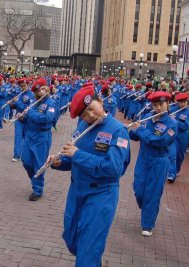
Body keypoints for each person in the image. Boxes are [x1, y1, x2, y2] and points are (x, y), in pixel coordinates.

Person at [48, 86, 130, 266]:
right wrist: (60, 162)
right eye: (85, 114)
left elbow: (113, 168)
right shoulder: (82, 128)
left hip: (100, 196)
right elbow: (75, 160)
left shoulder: (118, 130)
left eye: (92, 108)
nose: (91, 116)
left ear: (100, 100)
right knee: (72, 239)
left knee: (88, 251)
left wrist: (77, 154)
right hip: (77, 193)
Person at [129, 91, 177, 236]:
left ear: (167, 104)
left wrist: (140, 130)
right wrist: (133, 128)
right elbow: (136, 136)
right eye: (155, 105)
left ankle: (147, 225)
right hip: (143, 159)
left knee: (153, 192)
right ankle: (146, 208)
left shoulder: (172, 124)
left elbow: (159, 141)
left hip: (159, 160)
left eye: (161, 104)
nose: (158, 108)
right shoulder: (147, 117)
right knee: (139, 189)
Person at [20, 78, 56, 201]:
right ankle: (35, 180)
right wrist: (22, 118)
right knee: (26, 161)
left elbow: (46, 118)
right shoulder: (33, 102)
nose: (42, 91)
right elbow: (28, 119)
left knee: (39, 164)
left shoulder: (51, 103)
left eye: (43, 88)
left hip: (42, 136)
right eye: (39, 90)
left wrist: (30, 113)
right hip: (30, 135)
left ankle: (37, 189)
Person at [167, 93, 189, 183]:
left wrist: (174, 121)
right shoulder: (173, 109)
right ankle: (171, 174)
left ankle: (176, 169)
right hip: (173, 135)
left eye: (184, 102)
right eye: (180, 102)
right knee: (172, 154)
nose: (182, 104)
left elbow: (185, 126)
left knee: (180, 156)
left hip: (182, 136)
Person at [12, 78, 34, 162]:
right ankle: (17, 155)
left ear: (28, 85)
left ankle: (26, 155)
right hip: (18, 118)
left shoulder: (31, 95)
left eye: (24, 85)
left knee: (27, 137)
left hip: (26, 118)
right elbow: (17, 106)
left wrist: (17, 102)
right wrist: (11, 104)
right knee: (18, 136)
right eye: (21, 86)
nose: (23, 87)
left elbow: (27, 108)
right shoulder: (19, 94)